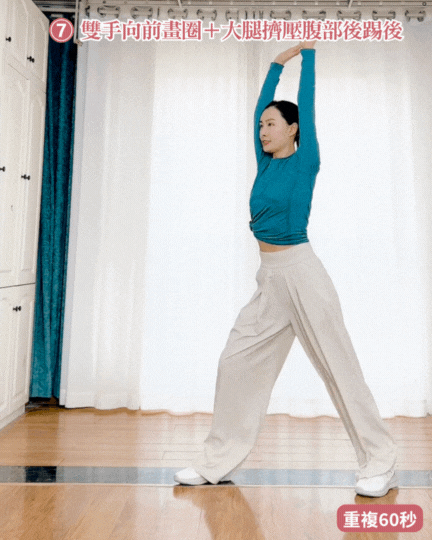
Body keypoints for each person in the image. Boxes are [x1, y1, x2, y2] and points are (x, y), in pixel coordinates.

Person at [174, 41, 398, 498]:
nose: (262, 130)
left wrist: (306, 56)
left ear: (293, 130)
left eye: (271, 124)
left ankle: (380, 463)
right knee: (235, 362)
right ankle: (217, 461)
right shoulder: (264, 163)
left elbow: (307, 105)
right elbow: (259, 108)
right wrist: (275, 65)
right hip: (270, 279)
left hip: (303, 274)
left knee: (339, 369)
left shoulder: (305, 160)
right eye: (260, 125)